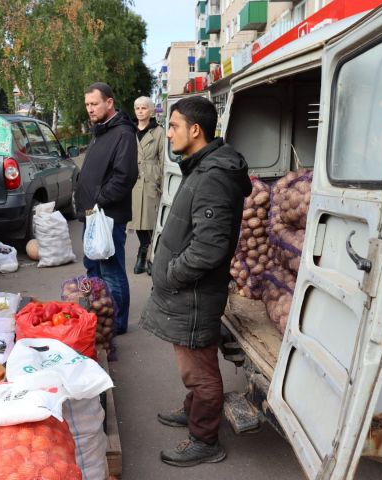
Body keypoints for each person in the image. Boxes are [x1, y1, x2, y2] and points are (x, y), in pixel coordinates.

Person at [140, 96, 251, 467]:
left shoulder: (215, 176)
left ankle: (205, 440)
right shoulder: (203, 167)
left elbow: (210, 246)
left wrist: (173, 274)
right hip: (189, 293)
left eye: (172, 126)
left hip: (195, 293)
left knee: (199, 372)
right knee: (193, 364)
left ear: (195, 130)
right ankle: (193, 411)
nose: (168, 133)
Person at [74, 82, 138, 335]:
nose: (90, 109)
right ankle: (100, 314)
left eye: (94, 104)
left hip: (107, 216)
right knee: (92, 266)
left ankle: (118, 323)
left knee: (111, 270)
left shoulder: (122, 133)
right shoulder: (100, 130)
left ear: (109, 102)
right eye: (87, 104)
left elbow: (125, 176)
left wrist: (99, 199)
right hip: (92, 215)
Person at [128, 96, 165, 275]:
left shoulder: (159, 132)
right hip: (134, 181)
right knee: (137, 221)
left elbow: (164, 159)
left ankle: (147, 256)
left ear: (151, 111)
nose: (140, 111)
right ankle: (145, 252)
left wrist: (161, 181)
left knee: (150, 220)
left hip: (151, 180)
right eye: (137, 108)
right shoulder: (129, 131)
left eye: (144, 108)